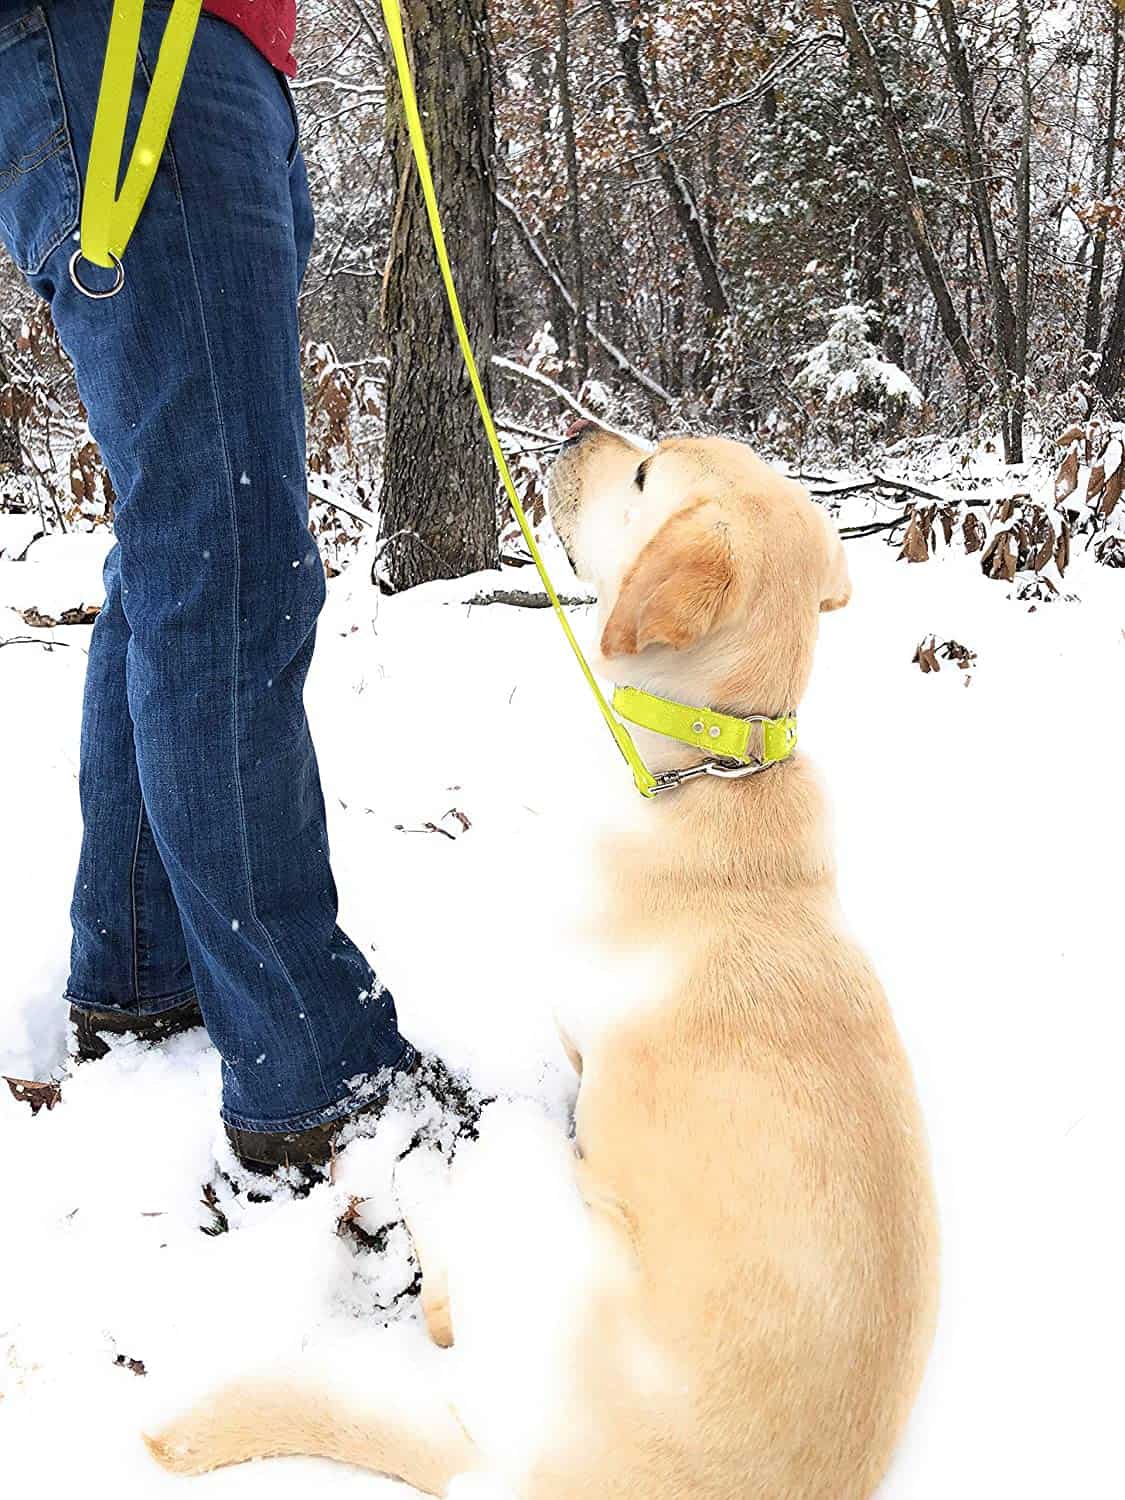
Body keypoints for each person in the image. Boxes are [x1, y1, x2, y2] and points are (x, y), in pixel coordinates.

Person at [0, 0, 420, 1174]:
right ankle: (318, 1072)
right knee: (229, 552)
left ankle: (141, 962)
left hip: (206, 58)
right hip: (141, 43)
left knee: (185, 536)